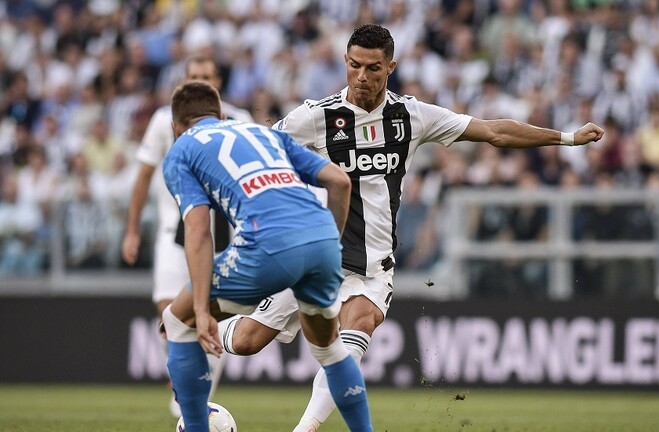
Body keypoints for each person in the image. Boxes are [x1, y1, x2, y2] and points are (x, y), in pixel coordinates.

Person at [225, 24, 605, 432]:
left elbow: (493, 131)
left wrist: (567, 137)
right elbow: (258, 150)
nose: (361, 76)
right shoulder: (317, 117)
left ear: (390, 67)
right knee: (247, 342)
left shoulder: (411, 116)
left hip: (372, 266)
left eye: (373, 68)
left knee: (356, 330)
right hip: (314, 257)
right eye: (354, 65)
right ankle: (200, 331)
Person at [162, 81, 372, 432]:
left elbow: (198, 232)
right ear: (222, 116)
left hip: (266, 244)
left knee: (176, 320)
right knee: (330, 350)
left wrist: (200, 309)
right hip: (323, 238)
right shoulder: (263, 133)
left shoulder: (181, 150)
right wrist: (329, 249)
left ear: (175, 127)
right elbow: (340, 182)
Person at [120, 55, 252, 416]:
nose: (200, 80)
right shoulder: (164, 119)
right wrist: (132, 230)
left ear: (219, 82)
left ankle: (198, 397)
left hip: (225, 238)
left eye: (207, 75)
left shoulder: (240, 119)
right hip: (173, 231)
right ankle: (184, 385)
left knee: (215, 319)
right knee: (170, 310)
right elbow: (143, 176)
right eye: (194, 75)